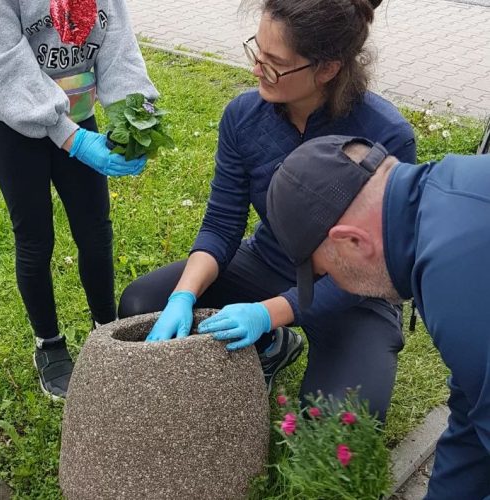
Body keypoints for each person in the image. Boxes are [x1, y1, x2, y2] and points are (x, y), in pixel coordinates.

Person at [118, 0, 416, 419]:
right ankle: (271, 345)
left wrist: (268, 312)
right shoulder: (244, 117)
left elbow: (384, 266)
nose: (257, 68)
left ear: (327, 69)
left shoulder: (387, 137)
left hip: (355, 291)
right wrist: (184, 295)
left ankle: (274, 331)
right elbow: (222, 223)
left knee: (340, 426)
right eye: (257, 51)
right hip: (269, 261)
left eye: (274, 63)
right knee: (141, 305)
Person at [266, 134, 490, 499]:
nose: (339, 285)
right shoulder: (451, 193)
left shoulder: (456, 275)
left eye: (326, 272)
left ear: (353, 241)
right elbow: (472, 414)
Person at [0, 0, 158, 399]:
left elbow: (118, 44)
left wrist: (136, 114)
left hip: (80, 116)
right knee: (35, 240)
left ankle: (106, 333)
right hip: (16, 123)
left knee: (95, 231)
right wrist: (70, 138)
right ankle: (48, 344)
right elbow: (2, 64)